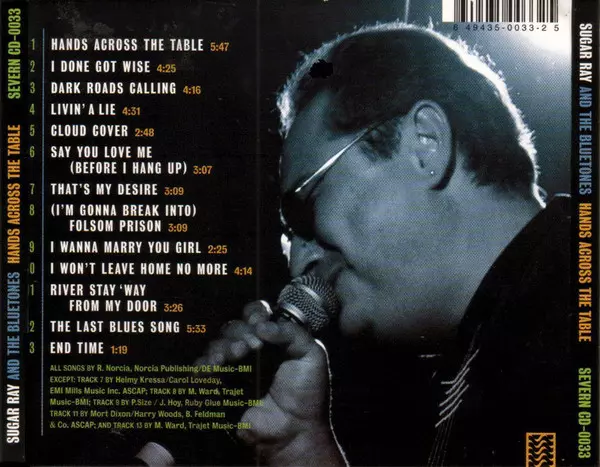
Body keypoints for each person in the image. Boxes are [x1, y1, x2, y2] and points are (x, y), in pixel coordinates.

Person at [198, 22, 573, 466]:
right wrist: (300, 450)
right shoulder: (504, 345)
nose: (299, 264)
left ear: (425, 143)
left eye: (305, 207)